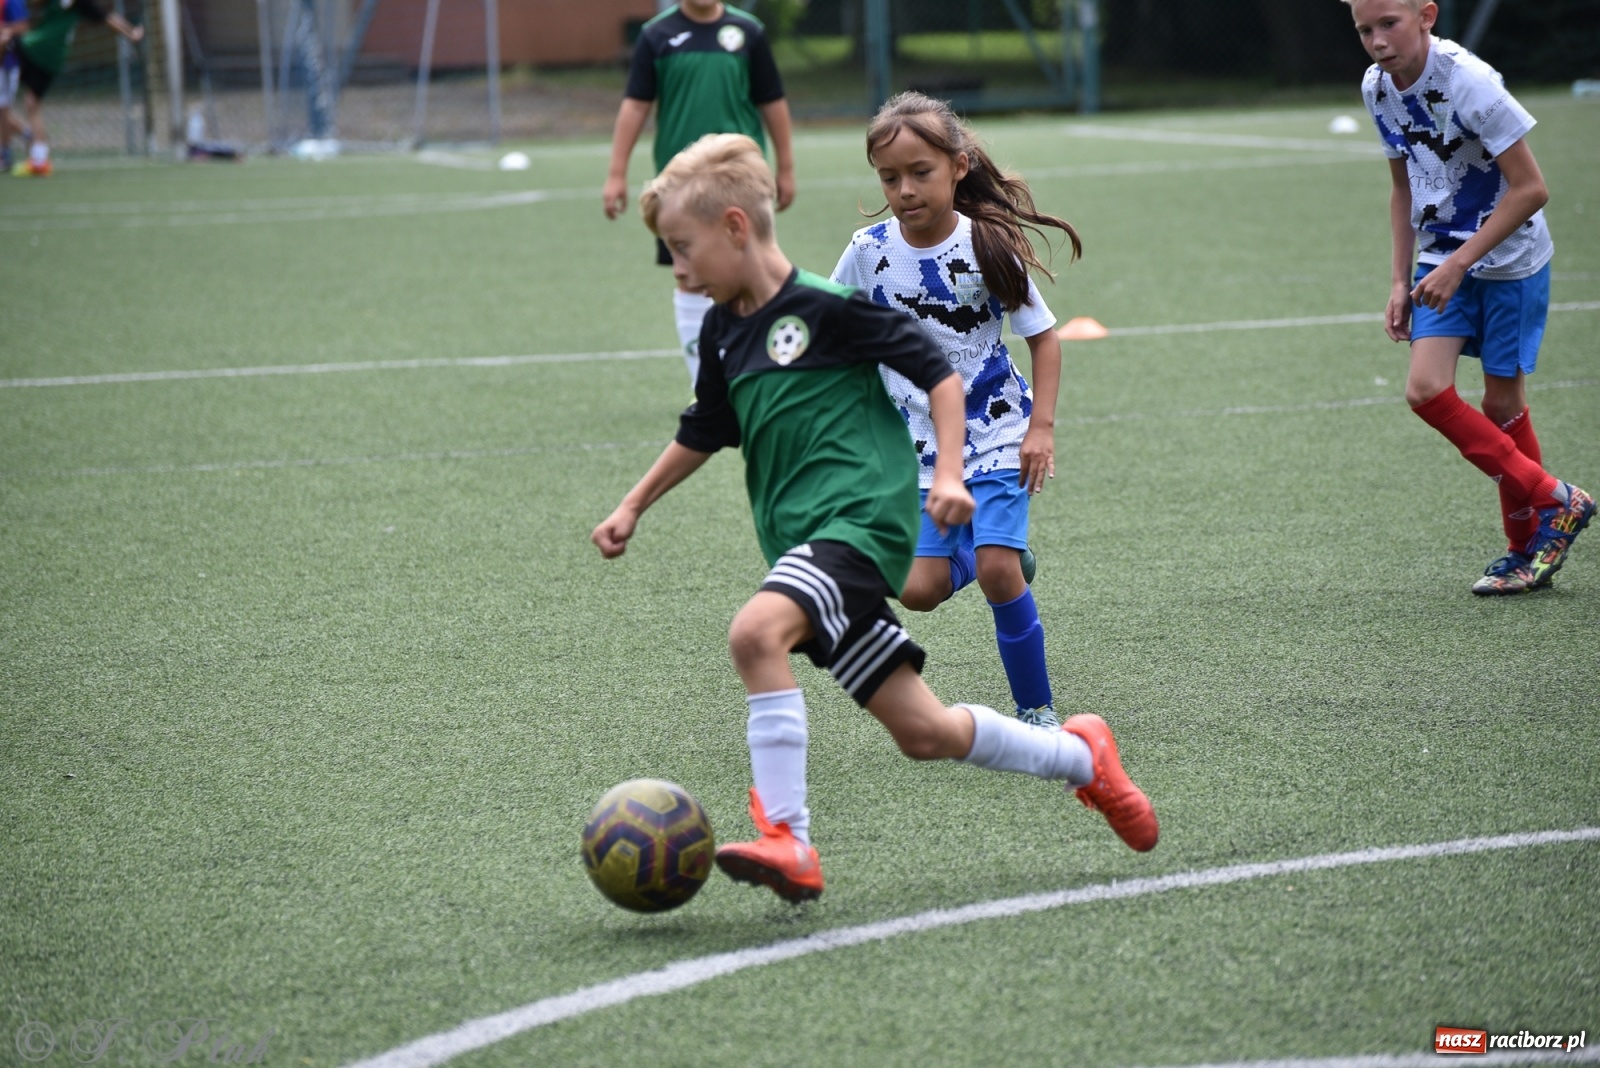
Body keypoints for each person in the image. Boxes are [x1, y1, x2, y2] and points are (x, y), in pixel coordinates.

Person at [591, 133, 1157, 904]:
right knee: (925, 733)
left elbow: (939, 377)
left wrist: (951, 475)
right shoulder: (727, 328)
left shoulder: (829, 306)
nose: (680, 273)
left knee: (755, 633)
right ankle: (1081, 758)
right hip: (809, 544)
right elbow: (707, 426)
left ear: (734, 226)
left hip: (858, 527)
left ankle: (787, 838)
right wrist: (632, 505)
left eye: (682, 251)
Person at [831, 91, 1080, 729]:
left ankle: (1036, 711)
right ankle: (997, 553)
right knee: (919, 591)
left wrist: (1042, 429)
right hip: (917, 444)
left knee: (999, 574)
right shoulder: (867, 250)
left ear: (958, 167)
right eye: (890, 177)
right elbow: (830, 318)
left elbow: (1043, 336)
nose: (905, 189)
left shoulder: (987, 245)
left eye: (921, 172)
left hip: (997, 429)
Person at [1346, 0, 1593, 594]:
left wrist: (1461, 263)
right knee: (1425, 390)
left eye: (1389, 24)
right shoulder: (1377, 87)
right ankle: (1560, 500)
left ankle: (1522, 551)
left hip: (1508, 259)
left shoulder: (1471, 83)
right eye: (1364, 30)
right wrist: (1399, 280)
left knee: (1502, 407)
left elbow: (1532, 189)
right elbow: (1402, 189)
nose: (1378, 41)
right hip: (1441, 256)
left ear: (1426, 15)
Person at [601, 0, 795, 385]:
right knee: (689, 275)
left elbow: (771, 100)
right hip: (681, 189)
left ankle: (761, 370)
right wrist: (616, 173)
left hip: (741, 181)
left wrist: (786, 168)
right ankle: (703, 385)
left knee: (754, 269)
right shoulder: (656, 35)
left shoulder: (749, 32)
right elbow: (636, 105)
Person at [10, 0, 143, 177]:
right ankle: (39, 159)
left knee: (6, 46)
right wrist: (131, 33)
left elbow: (108, 18)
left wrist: (130, 32)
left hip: (38, 48)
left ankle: (32, 155)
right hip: (52, 56)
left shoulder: (78, 2)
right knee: (32, 103)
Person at [0, 0, 27, 172]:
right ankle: (29, 135)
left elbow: (23, 26)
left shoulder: (11, 1)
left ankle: (6, 154)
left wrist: (5, 31)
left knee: (3, 109)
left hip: (7, 64)